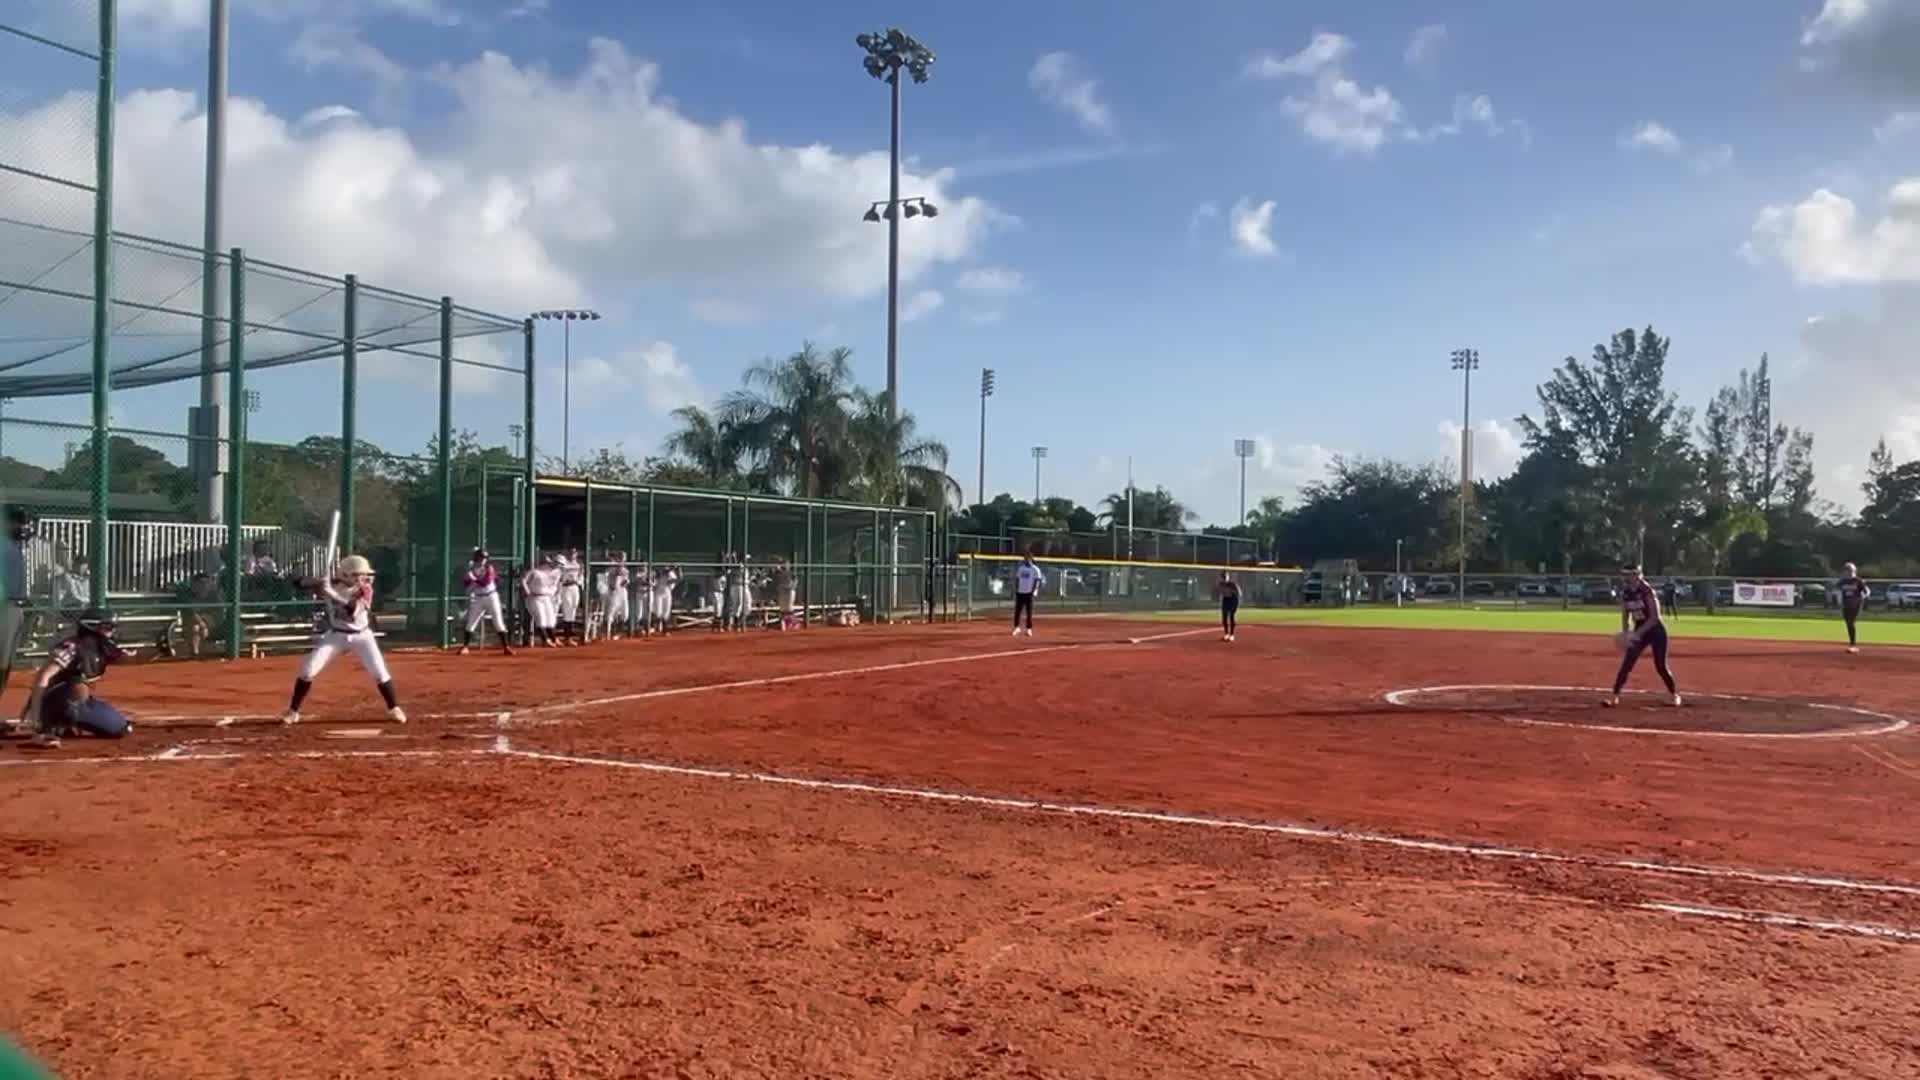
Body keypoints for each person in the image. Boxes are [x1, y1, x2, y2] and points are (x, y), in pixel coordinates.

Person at [277, 555, 404, 726]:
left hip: (362, 636)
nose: (363, 578)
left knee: (380, 673)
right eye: (358, 574)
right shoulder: (332, 583)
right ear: (346, 575)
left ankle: (394, 707)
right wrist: (314, 582)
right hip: (336, 635)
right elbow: (297, 583)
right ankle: (293, 711)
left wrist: (331, 593)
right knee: (308, 670)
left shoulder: (365, 589)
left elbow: (354, 609)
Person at [14, 609, 140, 749]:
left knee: (122, 727)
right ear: (92, 627)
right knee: (77, 686)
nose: (112, 631)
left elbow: (124, 656)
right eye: (108, 627)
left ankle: (65, 723)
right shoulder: (72, 648)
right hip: (60, 703)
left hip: (78, 701)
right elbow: (43, 677)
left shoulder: (100, 648)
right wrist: (36, 721)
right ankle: (53, 724)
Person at [1606, 562, 1680, 709]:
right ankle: (1614, 696)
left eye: (1629, 575)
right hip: (1640, 628)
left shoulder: (1647, 591)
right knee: (1628, 662)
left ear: (1637, 575)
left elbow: (1655, 617)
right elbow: (1625, 613)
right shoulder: (1626, 592)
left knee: (1661, 666)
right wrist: (1627, 632)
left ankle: (1674, 695)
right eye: (1624, 575)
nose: (1626, 578)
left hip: (1655, 630)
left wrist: (1637, 633)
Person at [0, 508, 33, 716]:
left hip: (13, 608)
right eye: (17, 522)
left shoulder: (12, 547)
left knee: (5, 665)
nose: (23, 528)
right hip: (4, 609)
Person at [458, 548, 513, 656]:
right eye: (480, 558)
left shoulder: (489, 567)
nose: (483, 560)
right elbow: (465, 584)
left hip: (491, 596)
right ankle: (465, 647)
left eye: (484, 558)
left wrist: (473, 579)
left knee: (498, 622)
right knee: (471, 622)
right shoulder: (471, 569)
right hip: (478, 597)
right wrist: (468, 578)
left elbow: (485, 582)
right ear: (476, 558)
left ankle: (506, 647)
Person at [520, 555, 560, 647]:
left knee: (550, 619)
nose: (546, 565)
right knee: (541, 618)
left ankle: (553, 639)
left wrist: (555, 593)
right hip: (535, 597)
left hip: (546, 597)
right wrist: (527, 590)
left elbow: (557, 583)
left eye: (548, 563)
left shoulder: (552, 573)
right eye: (545, 563)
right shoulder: (534, 572)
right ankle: (545, 640)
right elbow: (523, 580)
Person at [1837, 562, 1869, 653]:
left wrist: (1864, 596)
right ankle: (1852, 644)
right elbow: (1836, 589)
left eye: (1850, 570)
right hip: (1845, 605)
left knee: (1851, 622)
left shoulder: (1858, 581)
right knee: (1848, 623)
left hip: (1856, 604)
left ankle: (1853, 645)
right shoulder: (1842, 581)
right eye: (1846, 570)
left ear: (1854, 570)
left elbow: (1866, 591)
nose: (1848, 572)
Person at [1012, 554, 1043, 637]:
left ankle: (1029, 629)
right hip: (1020, 592)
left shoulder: (1035, 569)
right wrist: (1016, 588)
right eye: (1025, 559)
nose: (1026, 560)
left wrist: (1035, 590)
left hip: (1029, 593)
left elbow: (1038, 581)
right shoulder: (1021, 569)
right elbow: (1017, 579)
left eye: (1028, 559)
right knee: (1017, 611)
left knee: (1029, 612)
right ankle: (1017, 627)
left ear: (1031, 559)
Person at [1216, 571, 1241, 642]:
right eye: (1222, 577)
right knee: (1224, 617)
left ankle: (1232, 635)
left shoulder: (1232, 584)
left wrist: (1232, 593)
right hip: (1226, 600)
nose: (1224, 578)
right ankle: (1226, 634)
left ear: (1228, 577)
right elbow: (1220, 592)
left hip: (1233, 600)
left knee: (1231, 616)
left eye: (1225, 577)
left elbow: (1239, 593)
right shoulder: (1221, 584)